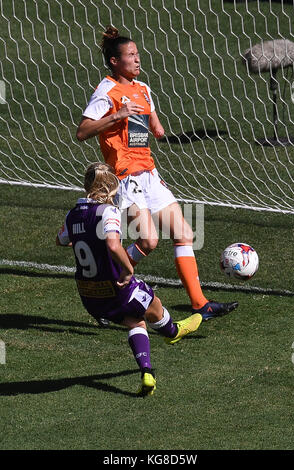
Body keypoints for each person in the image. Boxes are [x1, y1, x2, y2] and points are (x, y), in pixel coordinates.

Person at [76, 26, 238, 318]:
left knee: (183, 233)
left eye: (138, 54)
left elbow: (153, 121)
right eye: (131, 55)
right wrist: (116, 115)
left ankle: (201, 304)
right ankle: (111, 290)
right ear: (115, 61)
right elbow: (82, 131)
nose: (138, 60)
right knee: (149, 240)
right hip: (124, 178)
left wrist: (159, 128)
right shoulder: (107, 91)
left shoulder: (144, 89)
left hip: (149, 174)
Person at [56, 162, 205, 397]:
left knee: (136, 322)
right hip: (116, 287)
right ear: (108, 189)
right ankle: (173, 333)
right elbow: (114, 245)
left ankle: (148, 373)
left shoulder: (71, 214)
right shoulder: (108, 212)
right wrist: (127, 269)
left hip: (88, 294)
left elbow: (62, 240)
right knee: (152, 305)